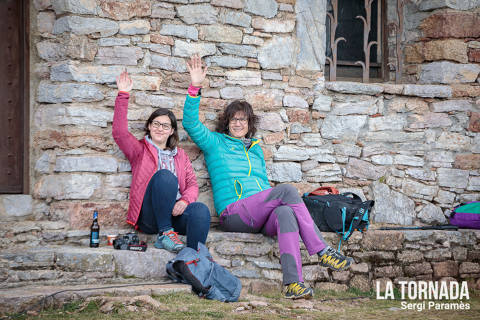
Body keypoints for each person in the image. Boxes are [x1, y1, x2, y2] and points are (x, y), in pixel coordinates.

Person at [182, 55, 353, 299]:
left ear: (250, 123)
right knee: (286, 191)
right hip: (234, 213)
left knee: (285, 212)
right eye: (234, 118)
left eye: (243, 119)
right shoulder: (215, 143)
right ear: (226, 122)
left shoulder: (256, 149)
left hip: (260, 216)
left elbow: (263, 187)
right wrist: (195, 87)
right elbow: (190, 123)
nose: (238, 123)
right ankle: (322, 250)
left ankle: (293, 284)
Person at [113, 70, 210, 252]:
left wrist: (185, 201)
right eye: (156, 124)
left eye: (165, 125)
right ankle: (165, 233)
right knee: (165, 177)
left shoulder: (180, 155)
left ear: (172, 131)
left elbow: (192, 185)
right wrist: (123, 95)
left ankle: (195, 259)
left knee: (201, 211)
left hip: (175, 214)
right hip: (150, 217)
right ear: (149, 127)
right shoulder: (139, 149)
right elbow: (119, 133)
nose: (160, 128)